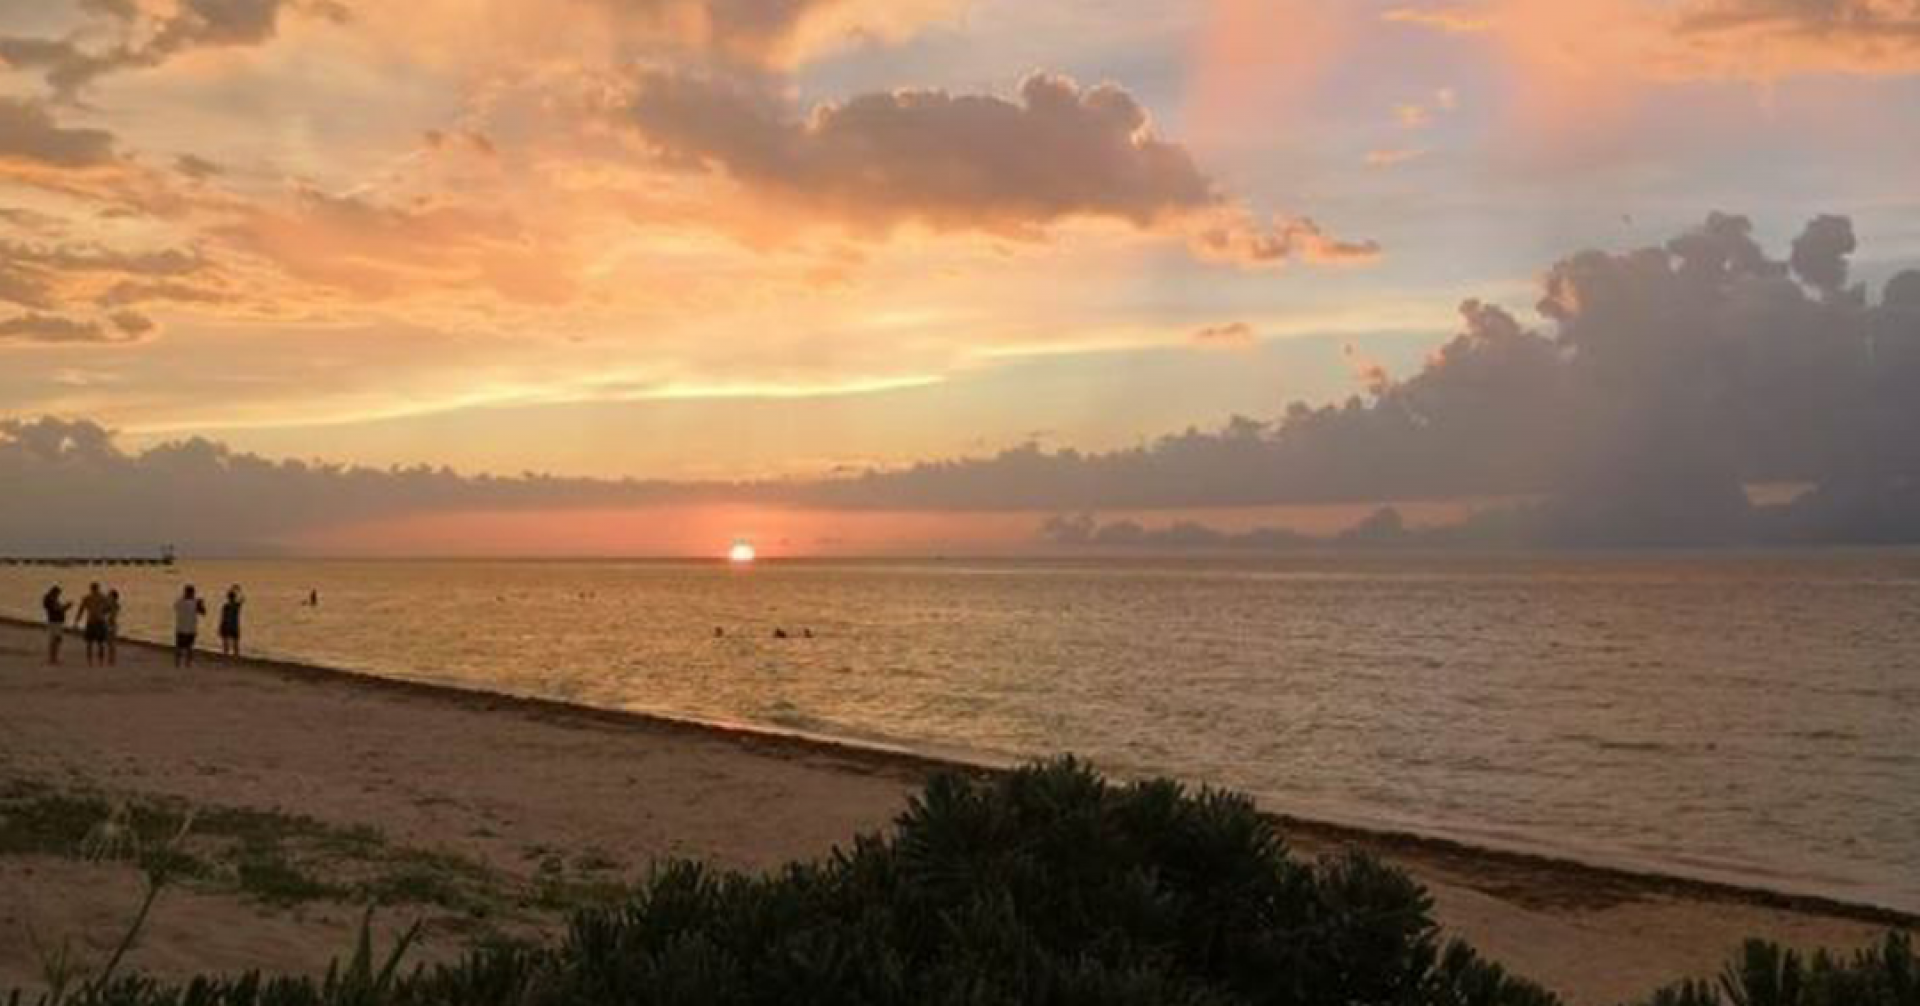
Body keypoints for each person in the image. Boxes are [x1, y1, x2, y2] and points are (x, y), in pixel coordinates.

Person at [77, 582, 112, 667]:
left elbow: (81, 609)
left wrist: (77, 620)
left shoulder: (88, 598)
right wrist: (102, 613)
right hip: (99, 621)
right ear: (97, 588)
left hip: (92, 621)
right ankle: (100, 662)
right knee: (99, 643)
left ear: (91, 588)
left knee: (90, 643)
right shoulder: (102, 597)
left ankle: (90, 662)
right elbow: (109, 608)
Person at [173, 585, 206, 667]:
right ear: (192, 593)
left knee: (179, 647)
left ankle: (177, 663)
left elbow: (176, 608)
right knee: (189, 647)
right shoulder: (195, 603)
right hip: (190, 629)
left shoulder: (179, 601)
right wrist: (201, 603)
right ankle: (187, 663)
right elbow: (203, 612)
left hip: (180, 628)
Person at [41, 585, 71, 665]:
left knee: (55, 639)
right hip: (55, 622)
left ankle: (53, 658)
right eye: (58, 593)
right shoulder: (51, 599)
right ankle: (53, 658)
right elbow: (57, 609)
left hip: (55, 621)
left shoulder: (50, 599)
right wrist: (66, 607)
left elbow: (57, 608)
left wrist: (64, 607)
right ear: (55, 592)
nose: (58, 595)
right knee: (56, 639)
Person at [219, 586, 244, 657]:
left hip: (227, 625)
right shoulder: (236, 605)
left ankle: (226, 654)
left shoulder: (226, 606)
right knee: (235, 643)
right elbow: (242, 599)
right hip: (234, 625)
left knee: (226, 642)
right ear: (234, 597)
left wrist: (221, 625)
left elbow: (223, 617)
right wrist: (238, 590)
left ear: (228, 597)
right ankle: (235, 655)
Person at [104, 589, 122, 667]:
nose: (108, 596)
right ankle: (111, 658)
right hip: (110, 624)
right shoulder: (111, 604)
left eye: (109, 595)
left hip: (111, 624)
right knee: (109, 642)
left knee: (111, 642)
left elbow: (111, 614)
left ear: (113, 597)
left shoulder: (115, 605)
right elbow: (104, 611)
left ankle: (112, 659)